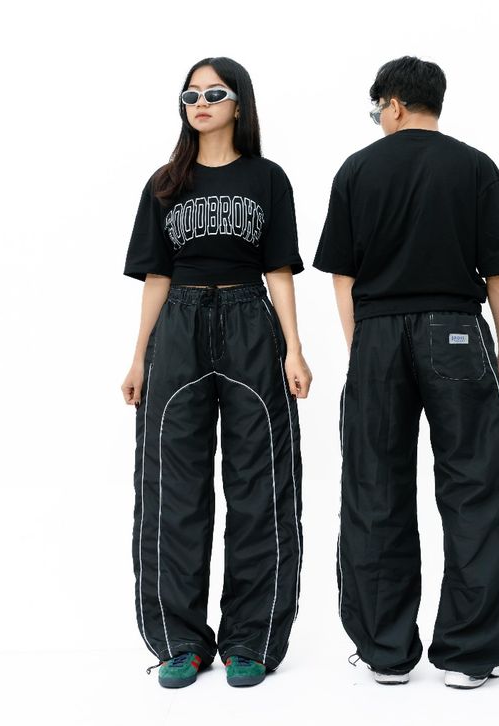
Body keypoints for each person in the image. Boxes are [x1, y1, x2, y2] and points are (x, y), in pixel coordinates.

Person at [313, 56, 499, 689]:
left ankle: (386, 652)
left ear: (395, 104)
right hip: (456, 331)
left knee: (373, 488)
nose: (378, 118)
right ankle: (469, 654)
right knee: (476, 485)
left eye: (377, 108)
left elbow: (343, 276)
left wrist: (362, 349)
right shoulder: (475, 167)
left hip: (377, 334)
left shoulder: (356, 170)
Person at [120, 56, 311, 689]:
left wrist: (294, 348)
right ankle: (179, 641)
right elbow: (156, 275)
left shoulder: (268, 178)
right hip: (177, 328)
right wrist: (139, 355)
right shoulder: (164, 182)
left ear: (238, 103)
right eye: (191, 95)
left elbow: (279, 269)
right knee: (173, 488)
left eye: (214, 93)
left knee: (261, 484)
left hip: (250, 321)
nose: (200, 103)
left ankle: (251, 639)